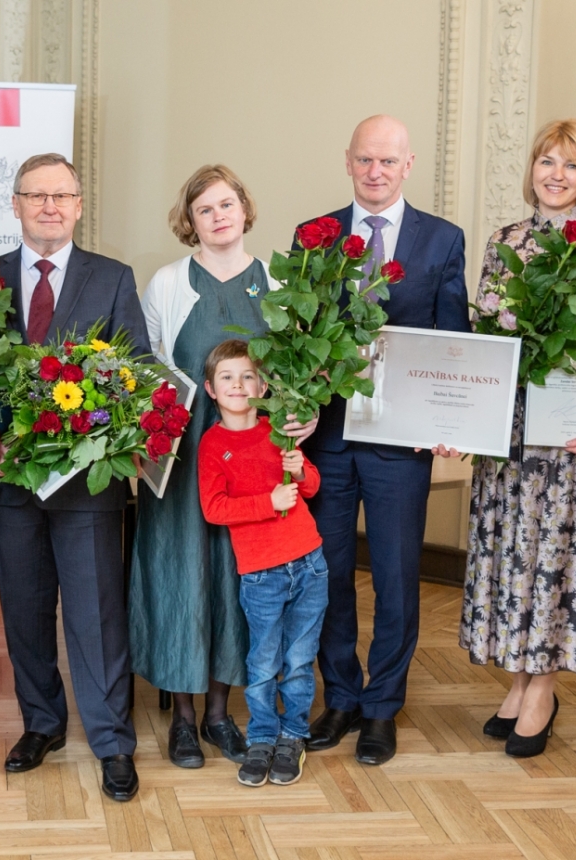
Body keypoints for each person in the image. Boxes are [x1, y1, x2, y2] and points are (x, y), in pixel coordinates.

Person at [459, 119, 576, 758]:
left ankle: (543, 687)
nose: (556, 175)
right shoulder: (505, 240)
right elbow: (485, 337)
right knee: (518, 554)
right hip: (512, 432)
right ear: (531, 168)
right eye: (546, 162)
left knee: (559, 557)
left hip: (575, 435)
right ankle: (520, 678)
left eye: (569, 164)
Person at [131, 165, 316, 768]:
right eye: (205, 209)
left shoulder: (277, 280)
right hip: (184, 461)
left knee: (238, 581)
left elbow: (295, 372)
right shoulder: (166, 283)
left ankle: (219, 714)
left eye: (227, 204)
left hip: (255, 462)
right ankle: (183, 719)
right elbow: (148, 372)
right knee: (183, 577)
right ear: (191, 221)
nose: (218, 216)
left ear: (245, 209)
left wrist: (303, 419)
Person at [300, 115, 470, 766]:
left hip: (403, 443)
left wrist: (452, 420)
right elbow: (300, 333)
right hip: (330, 439)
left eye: (388, 162)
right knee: (332, 575)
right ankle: (340, 696)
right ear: (348, 162)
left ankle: (381, 708)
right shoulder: (313, 237)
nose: (376, 172)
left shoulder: (441, 239)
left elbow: (453, 337)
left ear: (409, 165)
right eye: (365, 160)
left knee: (398, 578)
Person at [0, 153, 150, 802]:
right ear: (16, 204)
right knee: (24, 614)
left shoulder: (112, 278)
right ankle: (43, 725)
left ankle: (111, 742)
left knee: (97, 617)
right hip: (10, 485)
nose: (49, 206)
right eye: (36, 195)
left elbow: (134, 372)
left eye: (62, 195)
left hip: (87, 488)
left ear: (80, 205)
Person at [197, 340, 328, 788]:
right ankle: (262, 738)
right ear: (211, 389)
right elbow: (214, 509)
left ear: (263, 384)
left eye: (248, 375)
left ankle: (293, 736)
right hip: (261, 574)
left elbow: (309, 488)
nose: (238, 384)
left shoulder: (279, 430)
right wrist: (268, 502)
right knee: (263, 661)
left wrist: (301, 467)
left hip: (309, 563)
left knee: (298, 659)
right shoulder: (213, 445)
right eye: (227, 377)